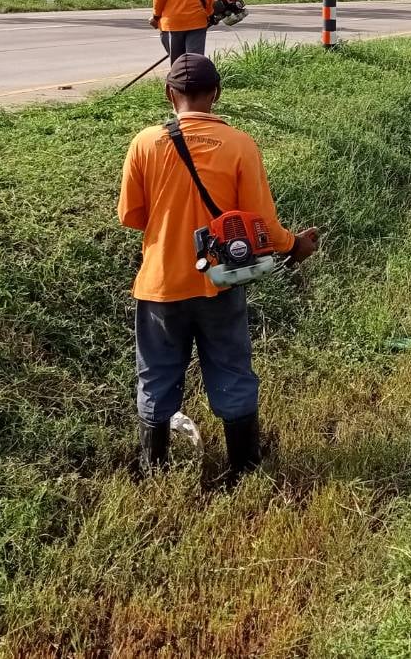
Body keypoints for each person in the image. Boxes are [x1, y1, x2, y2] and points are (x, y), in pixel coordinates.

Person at [118, 53, 320, 477]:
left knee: (156, 374)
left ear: (169, 94)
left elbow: (131, 216)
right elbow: (262, 225)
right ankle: (244, 468)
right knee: (231, 369)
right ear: (216, 94)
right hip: (220, 283)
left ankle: (154, 469)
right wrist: (294, 246)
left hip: (160, 284)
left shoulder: (145, 143)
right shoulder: (240, 145)